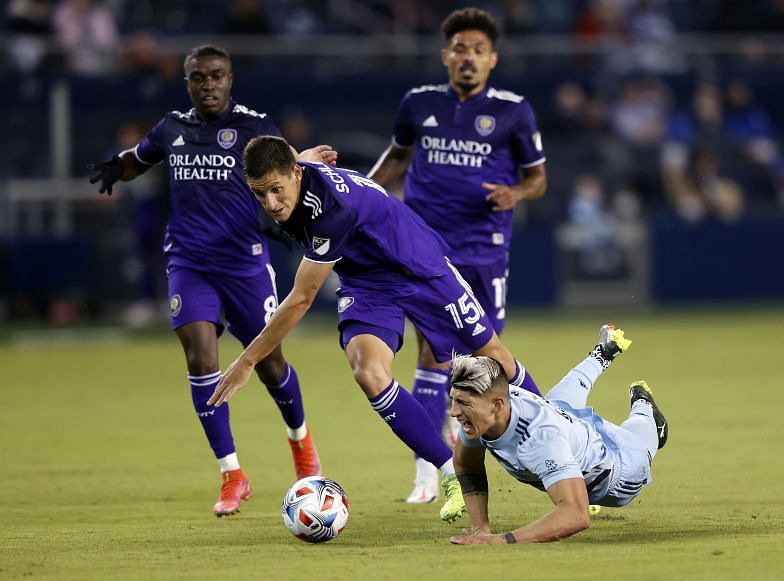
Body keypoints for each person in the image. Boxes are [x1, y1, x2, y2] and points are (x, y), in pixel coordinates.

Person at [207, 135, 542, 523]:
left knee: (493, 356)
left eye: (276, 191)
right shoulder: (295, 171)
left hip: (417, 266)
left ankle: (569, 454)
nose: (271, 204)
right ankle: (452, 474)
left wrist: (248, 360)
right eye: (260, 194)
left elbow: (300, 299)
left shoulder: (332, 212)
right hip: (367, 282)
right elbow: (289, 160)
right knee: (369, 372)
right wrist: (304, 158)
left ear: (296, 175)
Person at [87, 45, 337, 517]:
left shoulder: (254, 126)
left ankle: (301, 444)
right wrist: (117, 166)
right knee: (201, 356)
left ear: (230, 79)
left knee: (269, 365)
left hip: (244, 264)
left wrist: (299, 188)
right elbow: (141, 158)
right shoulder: (171, 129)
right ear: (188, 83)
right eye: (199, 77)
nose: (208, 84)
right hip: (188, 263)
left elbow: (287, 170)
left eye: (216, 75)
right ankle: (232, 475)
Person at [368, 6, 548, 503]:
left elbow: (538, 177)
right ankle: (431, 469)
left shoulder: (514, 110)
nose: (469, 58)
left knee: (487, 355)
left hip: (485, 247)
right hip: (425, 243)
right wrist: (359, 192)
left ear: (493, 59)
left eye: (479, 51)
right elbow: (397, 158)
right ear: (446, 56)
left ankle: (545, 445)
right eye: (461, 49)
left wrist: (517, 192)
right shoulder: (419, 103)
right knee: (431, 350)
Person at [448, 324, 669, 545]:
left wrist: (499, 540)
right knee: (554, 403)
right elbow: (467, 465)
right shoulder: (484, 409)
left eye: (463, 404)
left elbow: (576, 515)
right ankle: (602, 353)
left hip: (620, 472)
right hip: (567, 420)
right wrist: (480, 529)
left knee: (640, 437)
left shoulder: (540, 438)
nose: (454, 412)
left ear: (497, 405)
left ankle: (644, 406)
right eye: (454, 400)